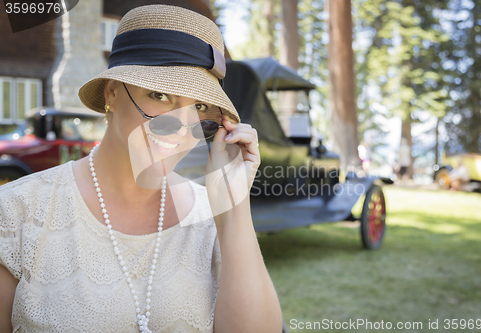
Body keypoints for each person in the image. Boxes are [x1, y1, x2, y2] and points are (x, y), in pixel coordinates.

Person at [0, 5, 283, 333]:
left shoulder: (212, 215)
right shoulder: (17, 212)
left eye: (200, 107)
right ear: (112, 94)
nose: (181, 127)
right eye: (160, 96)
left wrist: (233, 209)